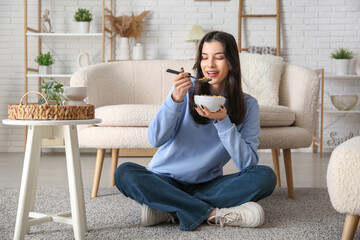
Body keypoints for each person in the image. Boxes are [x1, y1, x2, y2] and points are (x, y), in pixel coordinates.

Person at [114, 31, 277, 231]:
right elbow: (155, 139)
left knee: (266, 176)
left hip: (208, 184)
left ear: (232, 62)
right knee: (124, 173)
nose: (210, 65)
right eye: (204, 57)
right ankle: (213, 214)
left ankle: (168, 208)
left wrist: (223, 122)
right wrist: (174, 99)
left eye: (219, 57)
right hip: (164, 180)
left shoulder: (248, 105)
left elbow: (247, 164)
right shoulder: (185, 89)